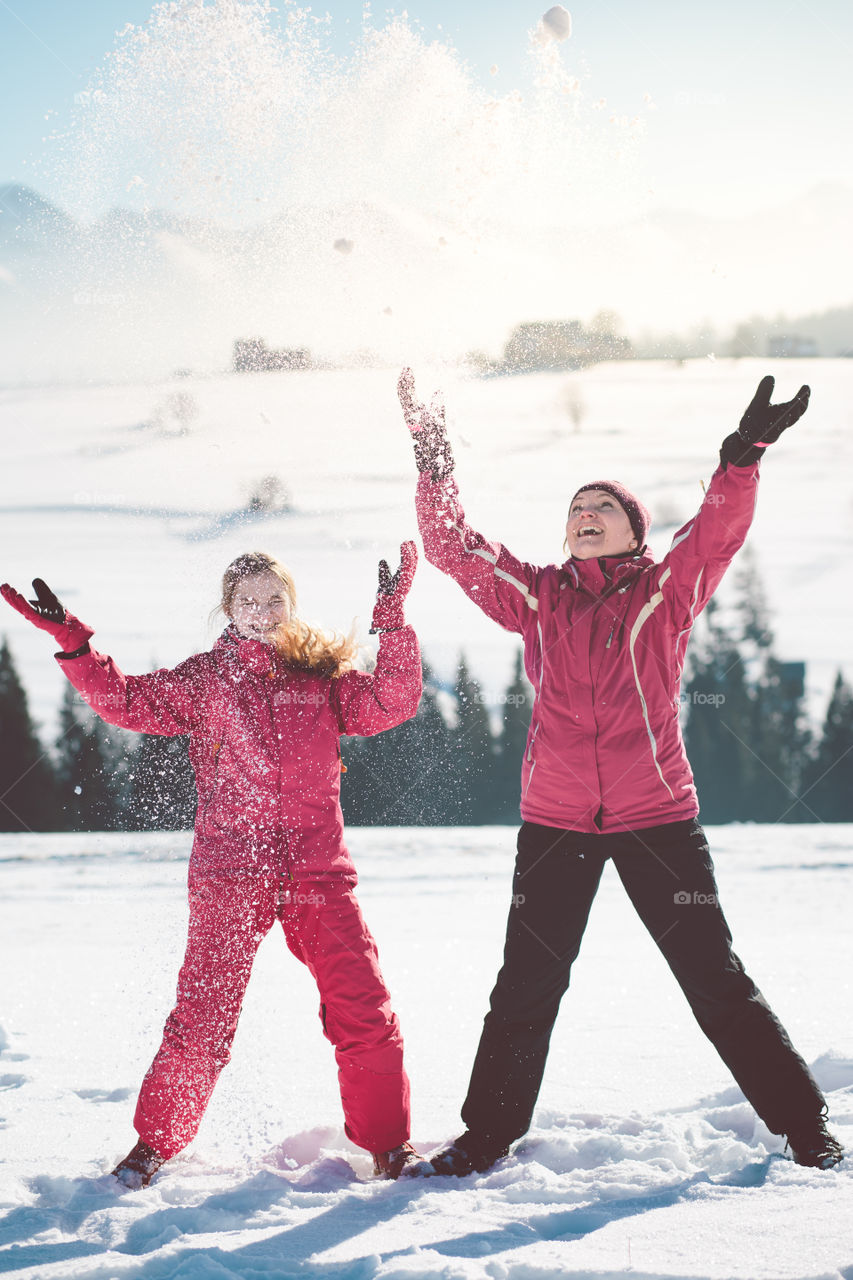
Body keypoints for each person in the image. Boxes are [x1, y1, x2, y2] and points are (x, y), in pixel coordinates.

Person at [397, 368, 844, 1175]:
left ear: (633, 530)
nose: (583, 518)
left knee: (714, 979)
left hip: (658, 821)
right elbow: (453, 551)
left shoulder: (663, 594)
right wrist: (434, 460)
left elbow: (714, 536)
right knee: (525, 988)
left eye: (600, 507)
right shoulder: (535, 598)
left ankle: (805, 1126)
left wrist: (741, 456)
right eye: (574, 510)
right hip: (554, 823)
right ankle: (485, 1137)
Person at [1, 544, 426, 1186]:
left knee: (361, 1004)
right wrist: (74, 645)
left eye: (273, 600)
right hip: (231, 871)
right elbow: (125, 701)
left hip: (318, 871)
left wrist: (391, 625)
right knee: (203, 1012)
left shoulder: (321, 679)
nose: (261, 612)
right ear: (227, 608)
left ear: (291, 605)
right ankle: (155, 1145)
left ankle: (389, 1149)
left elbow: (393, 703)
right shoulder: (204, 680)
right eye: (247, 601)